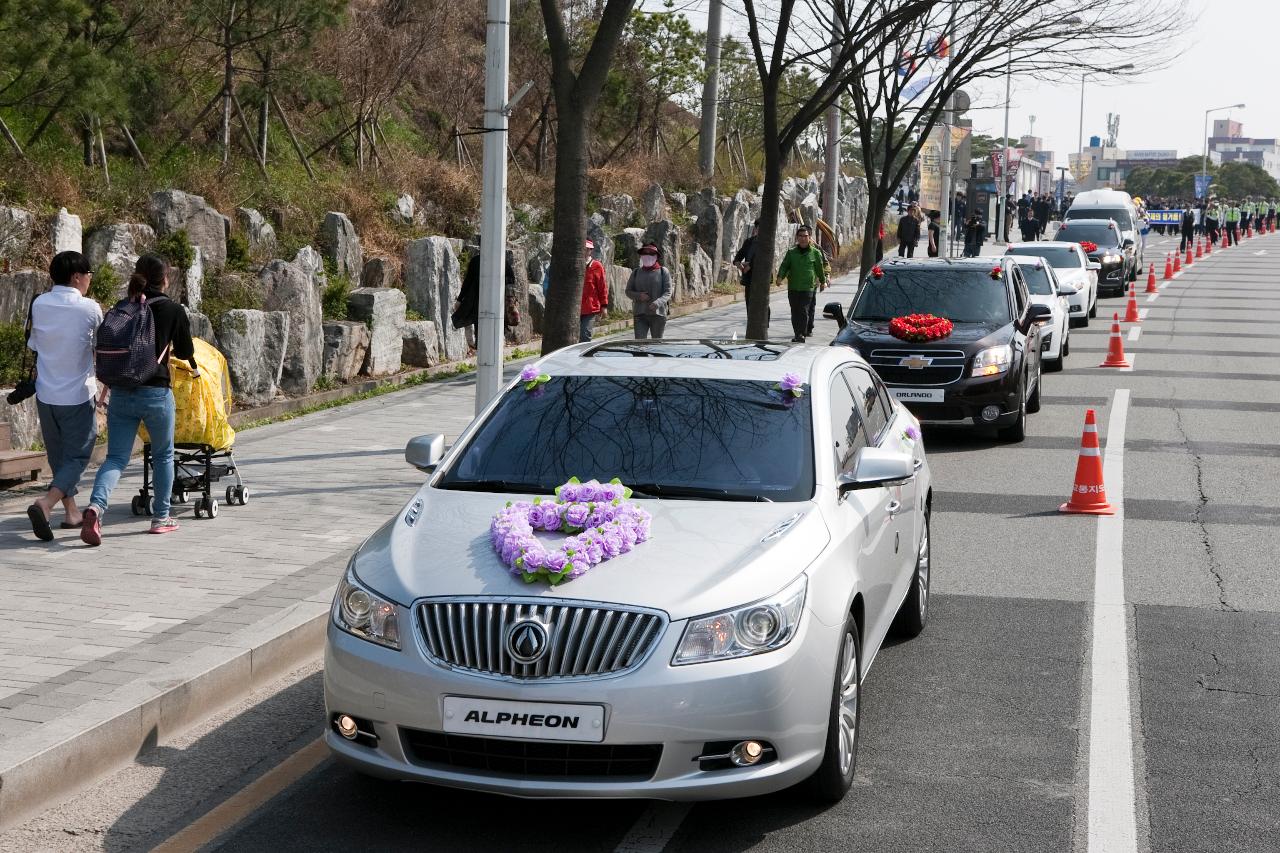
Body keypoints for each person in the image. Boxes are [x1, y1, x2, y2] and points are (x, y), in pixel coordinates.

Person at [81, 255, 197, 545]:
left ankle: (96, 507)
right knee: (163, 456)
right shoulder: (172, 309)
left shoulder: (124, 307)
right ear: (165, 278)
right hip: (156, 392)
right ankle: (161, 518)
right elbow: (184, 351)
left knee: (116, 458)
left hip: (122, 391)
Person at [23, 251, 103, 541]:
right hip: (78, 393)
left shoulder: (39, 303)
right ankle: (46, 504)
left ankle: (71, 514)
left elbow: (34, 343)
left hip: (46, 393)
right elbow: (99, 346)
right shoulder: (89, 308)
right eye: (88, 275)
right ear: (76, 277)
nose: (89, 281)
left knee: (59, 456)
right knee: (79, 453)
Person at [453, 237, 517, 352]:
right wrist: (459, 299)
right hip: (479, 302)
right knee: (481, 329)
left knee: (496, 330)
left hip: (497, 301)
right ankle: (483, 358)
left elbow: (511, 279)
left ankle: (496, 360)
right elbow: (468, 282)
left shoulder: (501, 261)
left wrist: (495, 281)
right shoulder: (476, 261)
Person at [776, 225, 828, 342]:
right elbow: (785, 266)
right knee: (795, 311)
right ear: (797, 238)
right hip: (793, 287)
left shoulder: (815, 253)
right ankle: (797, 333)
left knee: (804, 311)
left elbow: (820, 269)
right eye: (800, 236)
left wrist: (823, 281)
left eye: (805, 236)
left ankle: (801, 334)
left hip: (808, 287)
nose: (803, 238)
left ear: (809, 237)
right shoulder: (791, 252)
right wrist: (780, 277)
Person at [624, 243, 673, 340]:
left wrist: (658, 302)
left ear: (656, 256)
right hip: (640, 314)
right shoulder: (636, 272)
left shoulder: (663, 272)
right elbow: (628, 291)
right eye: (645, 253)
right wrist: (639, 296)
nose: (647, 256)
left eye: (651, 253)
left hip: (658, 314)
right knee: (640, 345)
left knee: (657, 344)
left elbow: (668, 292)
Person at [579, 239, 608, 342]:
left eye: (588, 249)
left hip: (591, 308)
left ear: (591, 250)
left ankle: (586, 357)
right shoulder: (575, 264)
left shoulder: (597, 266)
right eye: (583, 249)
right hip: (575, 307)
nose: (585, 251)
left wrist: (604, 306)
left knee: (585, 334)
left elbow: (602, 287)